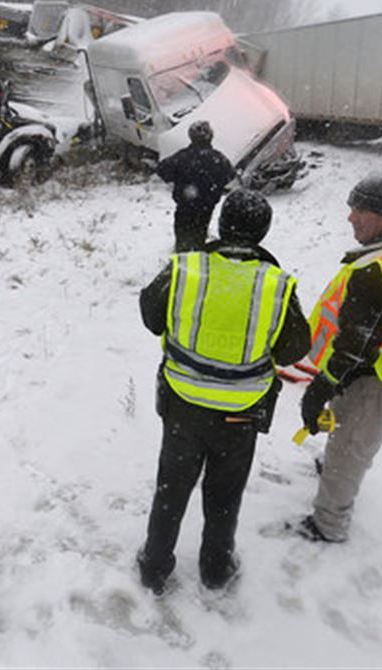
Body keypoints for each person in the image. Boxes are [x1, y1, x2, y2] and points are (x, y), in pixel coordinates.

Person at [137, 189, 311, 593]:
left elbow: (150, 315)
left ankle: (155, 565)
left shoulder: (185, 269)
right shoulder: (277, 285)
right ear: (263, 233)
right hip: (242, 413)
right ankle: (216, 568)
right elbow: (294, 349)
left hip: (184, 405)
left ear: (221, 222)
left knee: (172, 487)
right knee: (225, 494)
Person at [293, 167, 382, 543]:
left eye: (358, 210)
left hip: (379, 377)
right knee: (344, 426)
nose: (350, 217)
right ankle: (333, 467)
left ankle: (329, 524)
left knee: (350, 448)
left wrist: (320, 386)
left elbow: (355, 346)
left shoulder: (379, 273)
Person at [156, 120, 236, 252]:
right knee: (200, 236)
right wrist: (215, 186)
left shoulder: (182, 157)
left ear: (191, 136)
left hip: (184, 207)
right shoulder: (218, 159)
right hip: (206, 208)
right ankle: (197, 258)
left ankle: (182, 259)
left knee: (182, 239)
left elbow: (162, 170)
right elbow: (230, 175)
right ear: (210, 136)